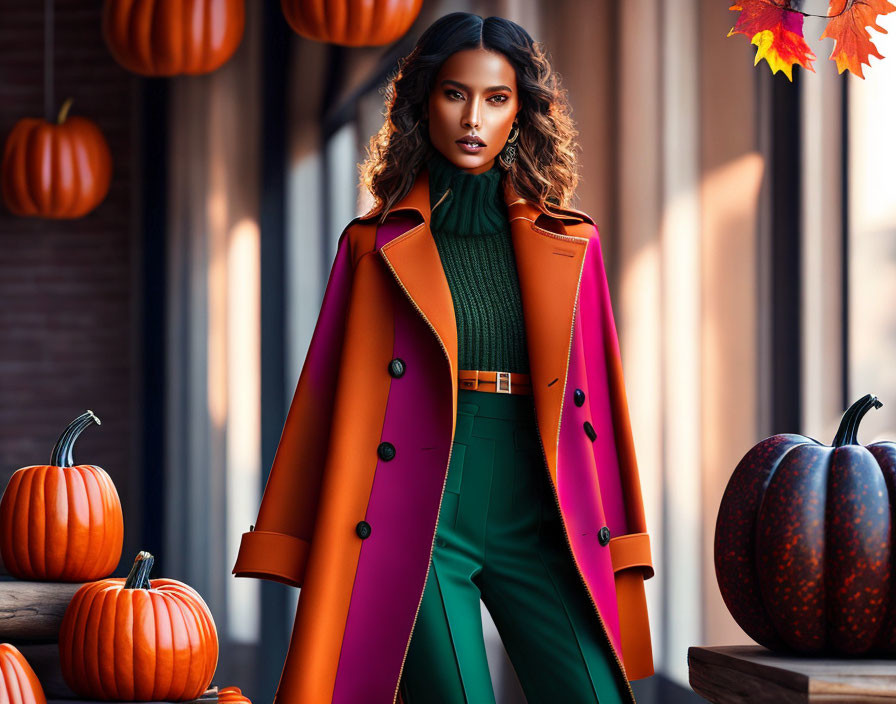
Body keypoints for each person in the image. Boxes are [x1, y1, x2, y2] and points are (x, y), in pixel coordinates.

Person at [232, 12, 654, 704]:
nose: (473, 117)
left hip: (541, 513)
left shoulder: (576, 244)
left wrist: (627, 547)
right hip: (419, 516)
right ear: (424, 100)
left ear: (520, 113)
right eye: (456, 93)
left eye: (497, 98)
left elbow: (601, 410)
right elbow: (320, 403)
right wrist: (285, 539)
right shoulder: (371, 248)